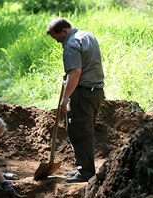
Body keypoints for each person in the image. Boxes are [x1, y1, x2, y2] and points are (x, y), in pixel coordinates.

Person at [46, 18, 105, 183]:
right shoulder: (87, 35)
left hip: (82, 94)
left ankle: (85, 172)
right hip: (96, 91)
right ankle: (83, 167)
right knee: (84, 130)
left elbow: (75, 73)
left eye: (57, 38)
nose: (58, 42)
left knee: (79, 132)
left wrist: (65, 100)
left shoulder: (71, 44)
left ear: (64, 31)